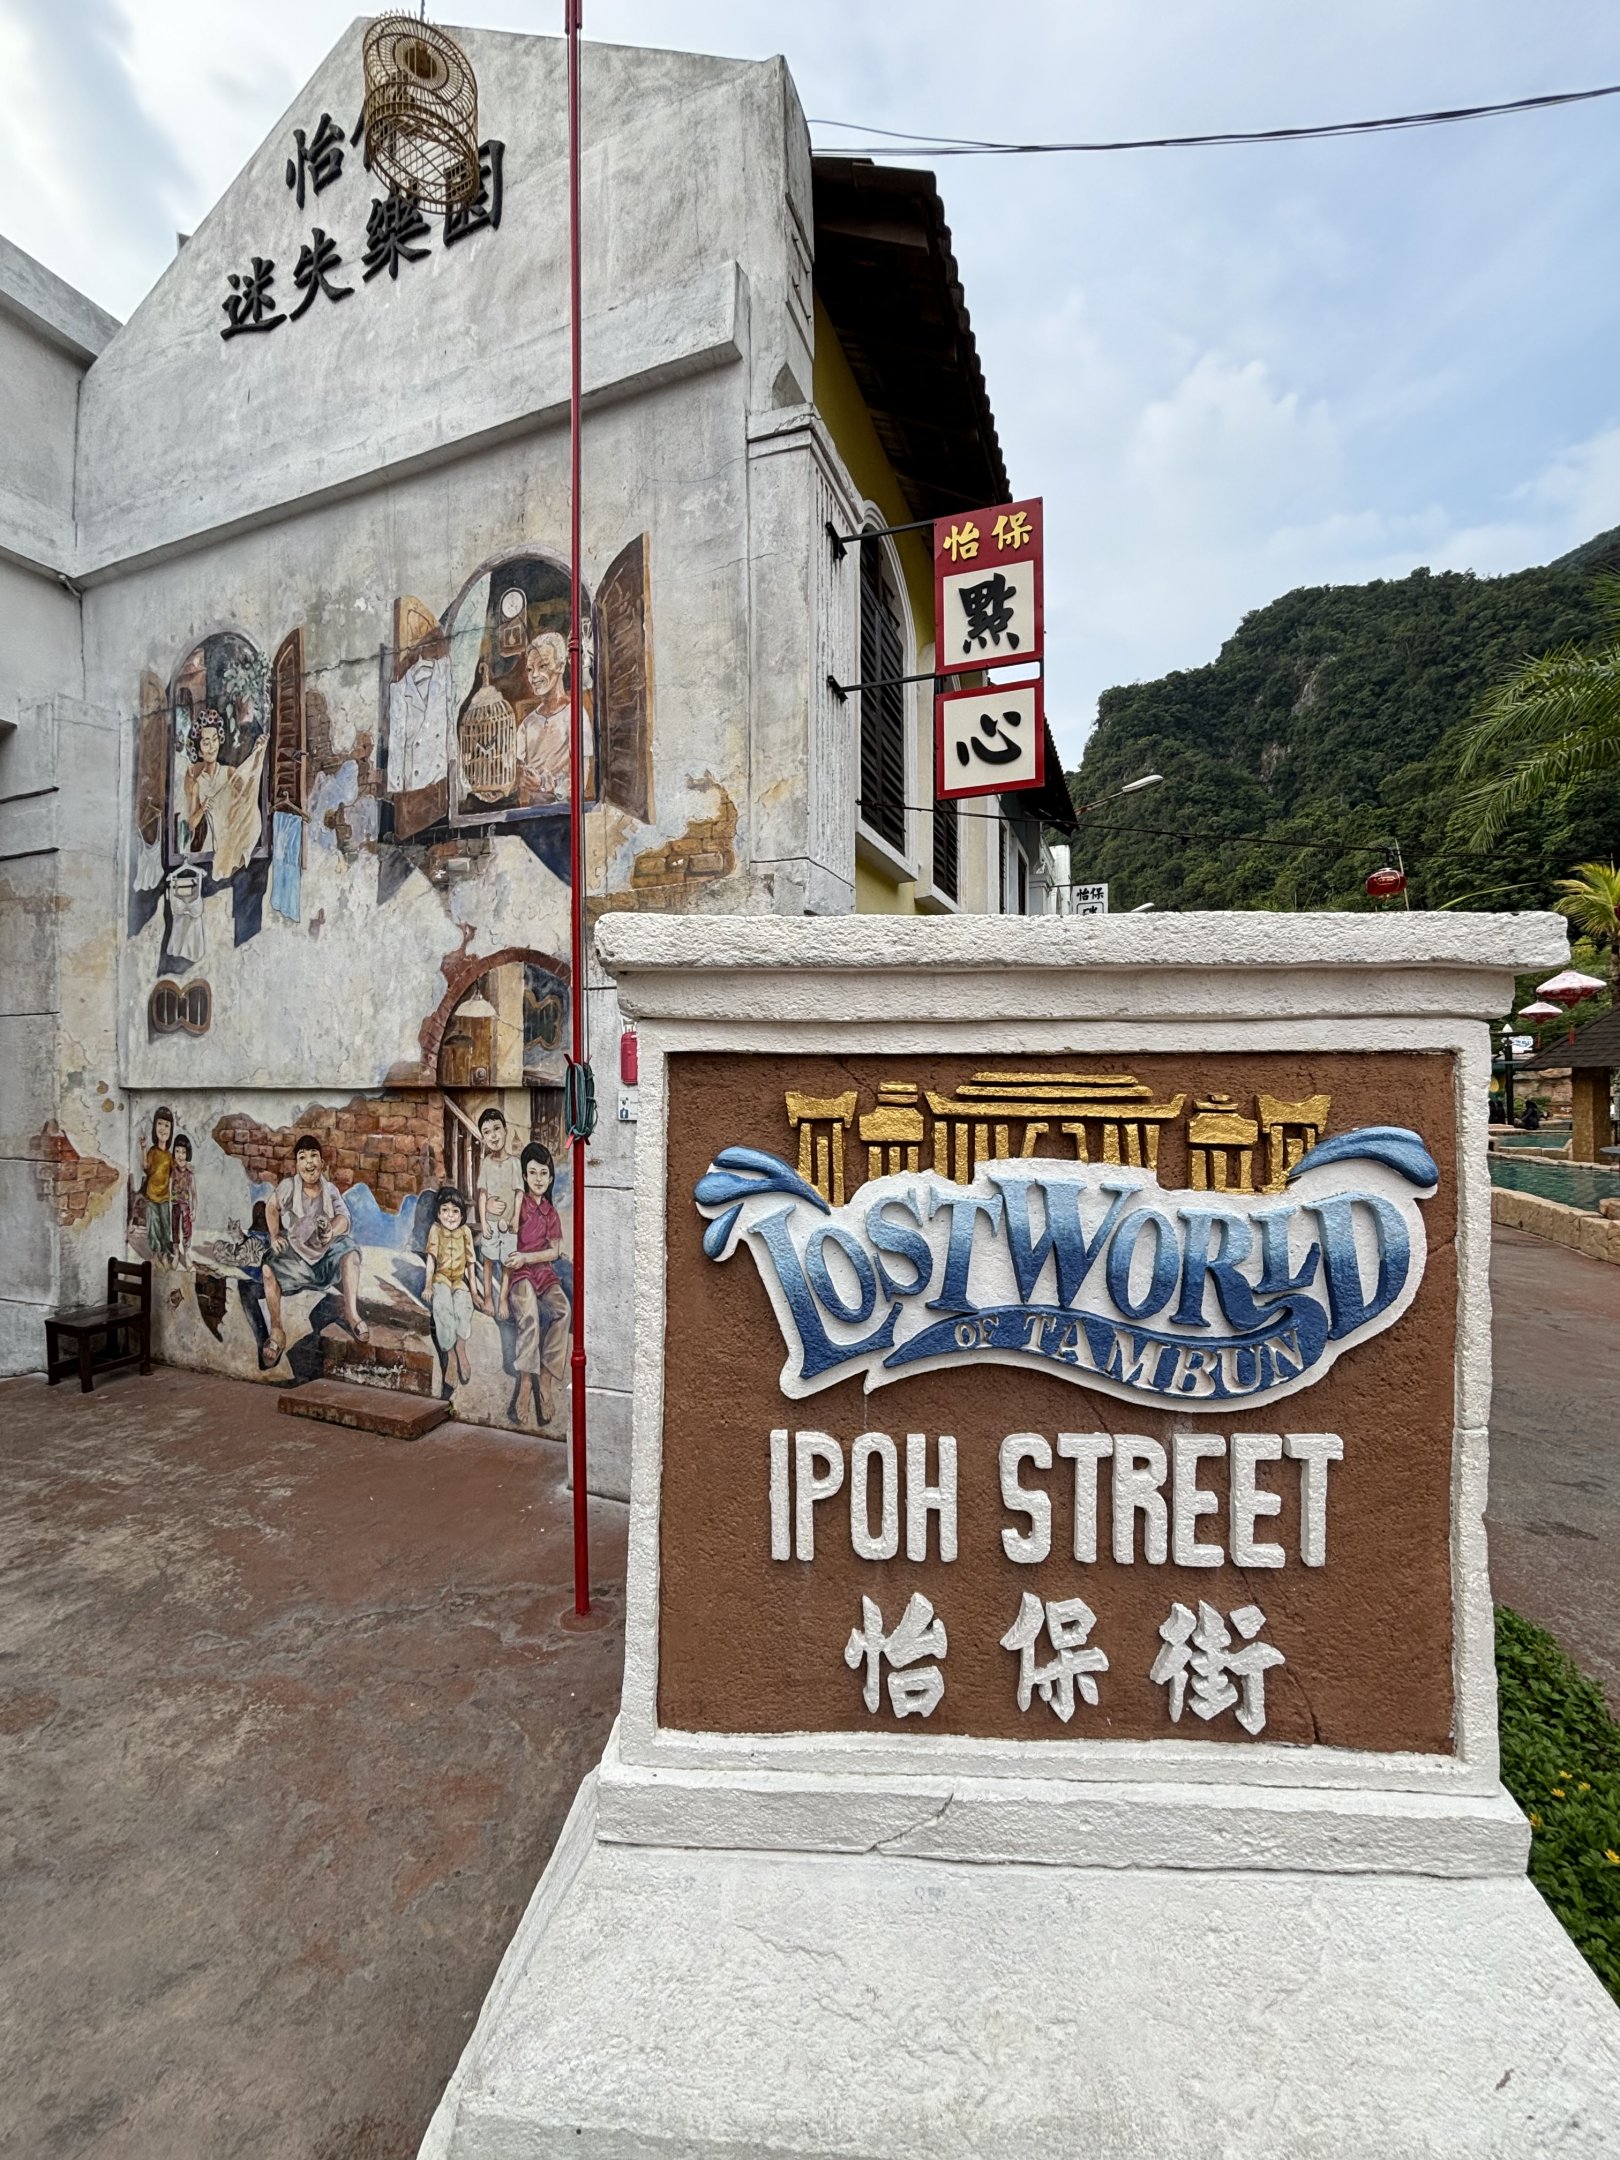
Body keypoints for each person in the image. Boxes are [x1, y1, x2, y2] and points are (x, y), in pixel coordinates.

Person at [260, 1134, 369, 1368]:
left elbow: (345, 1218)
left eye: (313, 1156)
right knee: (268, 1268)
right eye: (303, 1157)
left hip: (324, 1255)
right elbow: (271, 1206)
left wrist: (331, 1231)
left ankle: (352, 1314)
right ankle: (277, 1330)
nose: (309, 1163)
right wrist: (274, 1235)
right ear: (297, 1165)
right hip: (297, 1257)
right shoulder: (289, 1186)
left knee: (351, 1252)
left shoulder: (329, 1190)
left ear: (321, 1162)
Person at [506, 1143, 568, 1434]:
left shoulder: (550, 1212)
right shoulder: (520, 1205)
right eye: (532, 1173)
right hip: (519, 1274)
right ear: (524, 1175)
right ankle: (526, 1380)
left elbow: (554, 1251)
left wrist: (528, 1257)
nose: (539, 1179)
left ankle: (546, 1376)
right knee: (528, 1314)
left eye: (544, 1173)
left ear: (550, 1178)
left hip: (541, 1271)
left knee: (562, 1310)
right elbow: (506, 1237)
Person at [181, 705, 266, 878]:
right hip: (216, 846)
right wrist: (203, 807)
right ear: (199, 749)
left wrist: (257, 754)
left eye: (214, 740)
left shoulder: (229, 773)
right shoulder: (198, 783)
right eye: (206, 742)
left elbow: (248, 789)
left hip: (235, 837)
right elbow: (191, 823)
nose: (211, 747)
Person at [422, 1186, 477, 1391]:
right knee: (443, 1307)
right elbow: (431, 1259)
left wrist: (474, 1291)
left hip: (459, 1280)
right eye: (445, 1210)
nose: (450, 1216)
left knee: (464, 1307)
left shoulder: (465, 1232)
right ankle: (450, 1354)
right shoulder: (436, 1230)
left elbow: (471, 1262)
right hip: (442, 1278)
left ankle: (460, 1348)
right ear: (438, 1213)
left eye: (455, 1211)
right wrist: (428, 1285)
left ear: (462, 1215)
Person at [473, 1104, 524, 1315]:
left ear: (505, 1130)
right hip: (491, 1222)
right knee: (487, 1261)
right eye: (486, 1132)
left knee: (506, 1265)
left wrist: (515, 1218)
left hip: (508, 1225)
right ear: (483, 1138)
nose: (493, 1136)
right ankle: (487, 1297)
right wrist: (484, 1222)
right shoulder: (486, 1163)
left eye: (496, 1129)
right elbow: (482, 1194)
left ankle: (502, 1298)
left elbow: (519, 1192)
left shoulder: (515, 1163)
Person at [513, 633, 570, 806]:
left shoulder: (575, 715)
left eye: (543, 666)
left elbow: (582, 782)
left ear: (560, 666)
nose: (534, 676)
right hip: (533, 814)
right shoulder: (527, 724)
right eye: (530, 669)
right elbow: (516, 774)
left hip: (566, 814)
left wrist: (545, 785)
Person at [142, 1106, 176, 1267]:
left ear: (171, 1130)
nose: (163, 1129)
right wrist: (142, 1149)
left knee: (165, 1227)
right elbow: (146, 1167)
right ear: (155, 1126)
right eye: (160, 1124)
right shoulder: (152, 1152)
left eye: (167, 1125)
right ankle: (156, 1254)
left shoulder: (169, 1156)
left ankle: (164, 1253)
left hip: (164, 1197)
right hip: (151, 1195)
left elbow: (174, 1174)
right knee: (153, 1226)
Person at [171, 1134, 196, 1269]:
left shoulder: (190, 1174)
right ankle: (176, 1254)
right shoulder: (172, 1171)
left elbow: (194, 1194)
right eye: (177, 1151)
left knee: (187, 1229)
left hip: (185, 1205)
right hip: (174, 1205)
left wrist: (194, 1210)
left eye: (183, 1152)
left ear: (188, 1154)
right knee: (175, 1228)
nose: (180, 1155)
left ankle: (186, 1254)